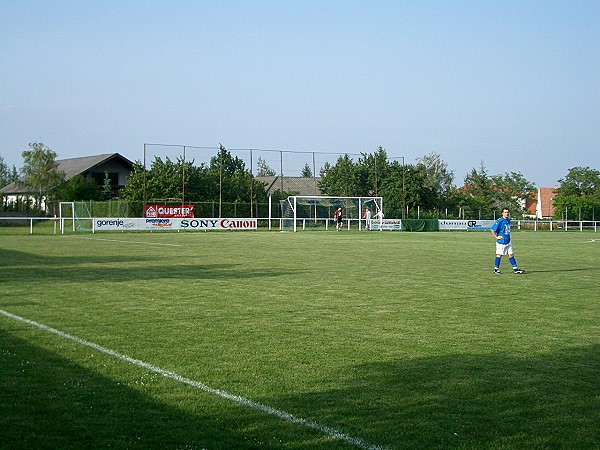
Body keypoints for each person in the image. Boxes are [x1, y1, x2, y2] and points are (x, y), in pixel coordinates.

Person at [490, 207, 524, 274]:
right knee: (499, 255)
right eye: (505, 212)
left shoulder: (508, 220)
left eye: (507, 212)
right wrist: (497, 237)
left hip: (508, 241)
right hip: (501, 242)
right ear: (502, 213)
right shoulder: (500, 221)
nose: (507, 214)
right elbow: (492, 229)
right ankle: (496, 269)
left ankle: (515, 269)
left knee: (511, 255)